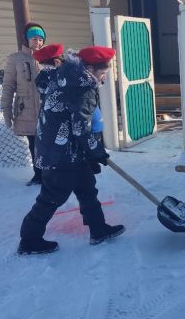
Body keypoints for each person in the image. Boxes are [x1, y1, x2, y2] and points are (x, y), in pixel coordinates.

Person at [17, 46, 125, 255]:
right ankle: (29, 240)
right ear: (91, 68)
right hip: (61, 153)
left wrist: (90, 152)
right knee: (51, 197)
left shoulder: (66, 74)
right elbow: (80, 128)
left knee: (86, 188)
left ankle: (98, 229)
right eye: (103, 72)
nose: (104, 77)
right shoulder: (82, 88)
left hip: (66, 149)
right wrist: (97, 152)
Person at [1, 22, 46, 186]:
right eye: (34, 38)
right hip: (26, 109)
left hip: (46, 108)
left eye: (41, 39)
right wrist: (6, 111)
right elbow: (8, 86)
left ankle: (50, 173)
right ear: (26, 39)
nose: (38, 42)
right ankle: (38, 175)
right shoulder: (15, 59)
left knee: (48, 142)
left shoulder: (47, 58)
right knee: (34, 143)